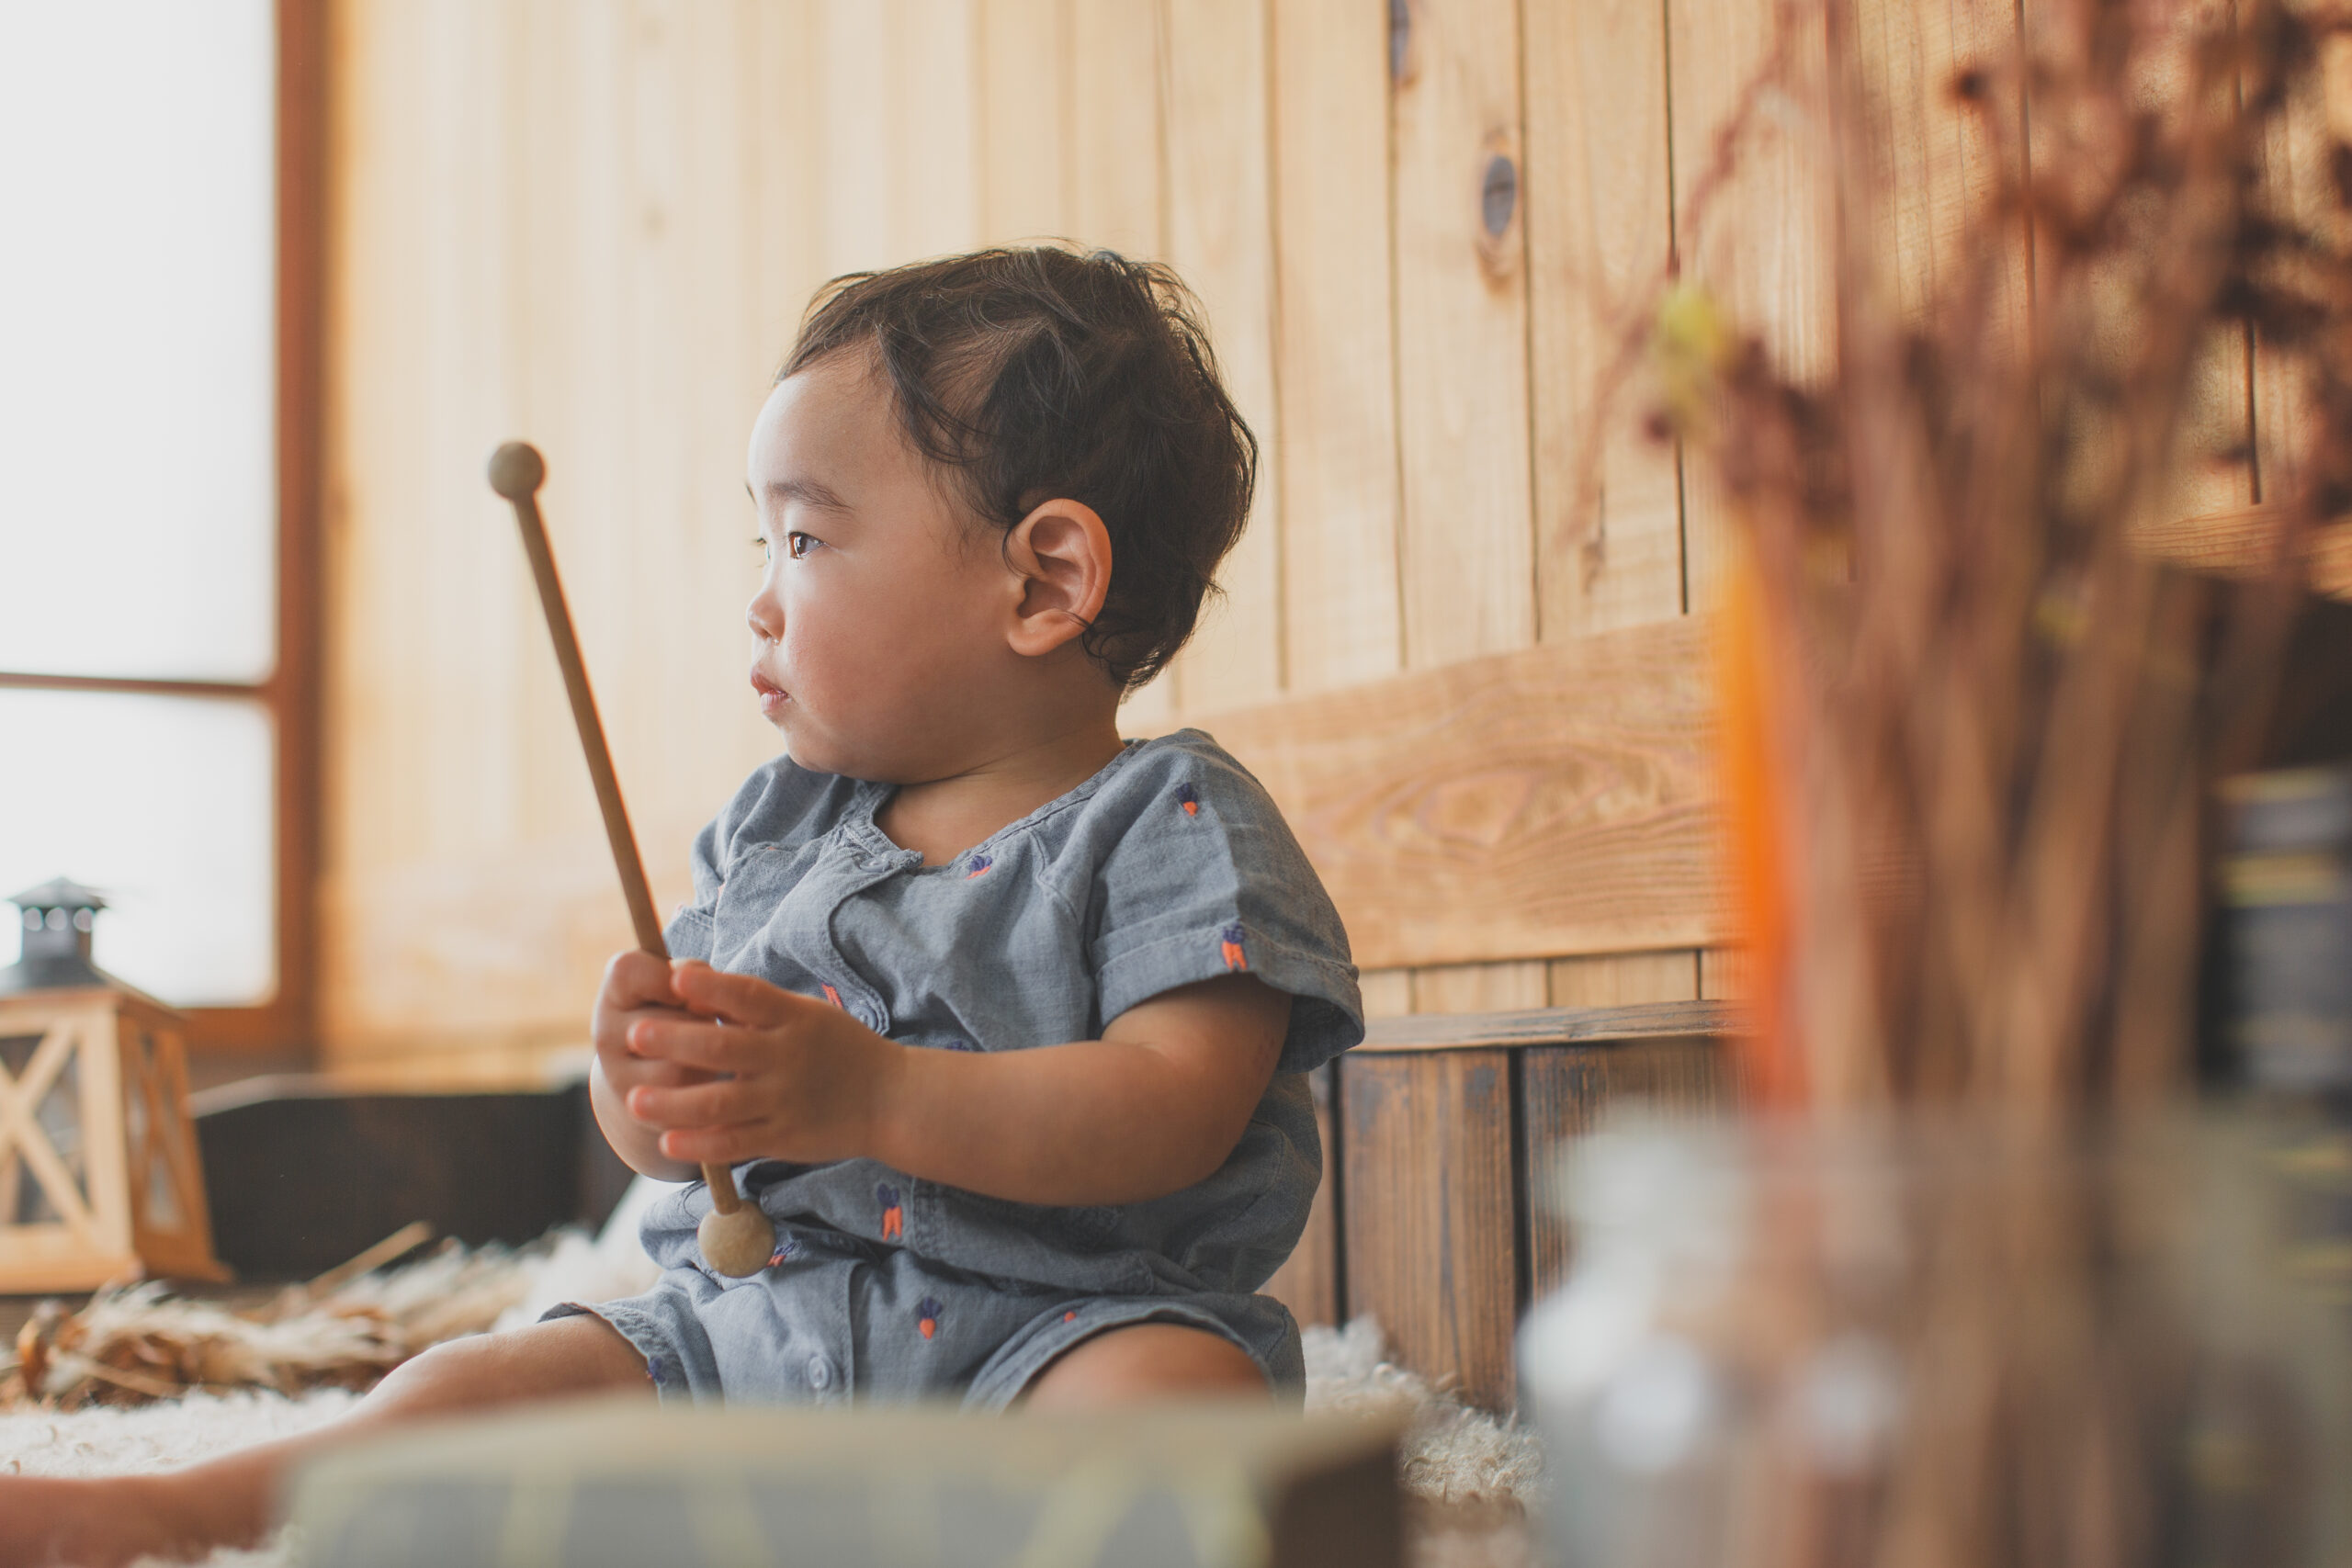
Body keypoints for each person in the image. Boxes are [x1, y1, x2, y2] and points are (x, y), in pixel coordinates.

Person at [3, 245, 1362, 1566]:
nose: (760, 603)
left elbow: (1175, 1111)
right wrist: (639, 1080)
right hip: (742, 1340)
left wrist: (874, 1095)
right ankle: (179, 1511)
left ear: (1044, 579)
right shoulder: (774, 829)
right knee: (486, 1381)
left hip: (1062, 1334)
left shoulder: (1171, 819)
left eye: (805, 538)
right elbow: (665, 1149)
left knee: (1174, 1406)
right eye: (761, 542)